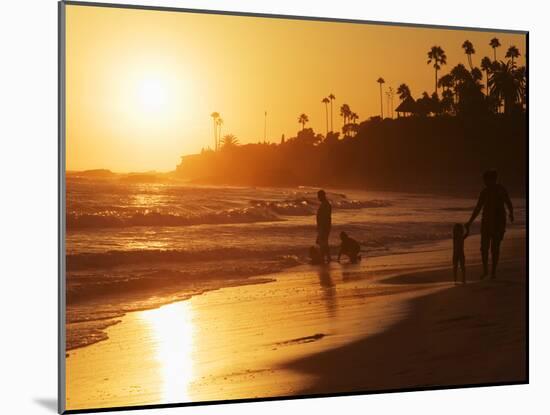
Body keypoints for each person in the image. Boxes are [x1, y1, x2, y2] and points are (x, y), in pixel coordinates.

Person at [465, 170, 514, 279]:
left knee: (495, 248)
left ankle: (493, 272)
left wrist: (511, 213)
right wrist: (469, 222)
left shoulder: (501, 190)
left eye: (487, 180)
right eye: (485, 180)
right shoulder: (484, 192)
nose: (485, 182)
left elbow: (508, 202)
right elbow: (478, 208)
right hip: (486, 222)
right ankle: (486, 271)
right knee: (484, 248)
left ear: (493, 179)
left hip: (499, 223)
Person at [316, 190, 332, 263]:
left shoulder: (325, 204)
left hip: (324, 226)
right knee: (324, 242)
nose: (318, 197)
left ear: (322, 196)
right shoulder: (325, 204)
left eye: (319, 196)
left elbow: (326, 217)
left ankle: (323, 257)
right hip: (324, 226)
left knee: (322, 242)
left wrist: (322, 227)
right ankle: (327, 257)